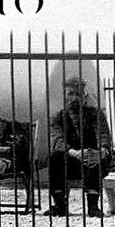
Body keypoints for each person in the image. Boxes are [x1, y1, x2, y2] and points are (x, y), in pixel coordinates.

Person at [46, 77, 113, 217]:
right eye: (70, 94)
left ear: (83, 97)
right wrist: (75, 153)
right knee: (55, 157)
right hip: (69, 161)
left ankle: (93, 206)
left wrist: (101, 151)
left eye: (78, 94)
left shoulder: (96, 114)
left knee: (92, 156)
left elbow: (103, 135)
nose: (74, 98)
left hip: (93, 160)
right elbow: (57, 140)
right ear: (64, 96)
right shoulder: (57, 117)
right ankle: (60, 204)